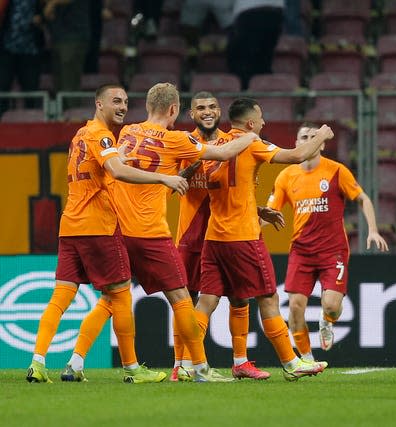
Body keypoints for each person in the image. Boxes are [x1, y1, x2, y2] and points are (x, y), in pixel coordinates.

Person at [62, 83, 258, 383]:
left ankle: (75, 362)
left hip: (118, 231)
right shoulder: (175, 139)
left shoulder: (126, 132)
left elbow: (126, 167)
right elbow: (224, 152)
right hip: (151, 233)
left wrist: (175, 176)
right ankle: (200, 368)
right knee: (181, 298)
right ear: (173, 110)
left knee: (111, 300)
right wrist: (251, 136)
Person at [26, 83, 189, 384]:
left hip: (70, 225)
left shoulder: (81, 135)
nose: (123, 106)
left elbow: (103, 167)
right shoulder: (101, 136)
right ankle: (132, 368)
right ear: (98, 104)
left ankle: (38, 362)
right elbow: (117, 171)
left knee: (61, 297)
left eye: (126, 101)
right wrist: (163, 178)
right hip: (98, 226)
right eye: (115, 101)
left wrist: (119, 154)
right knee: (119, 295)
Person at [196, 97, 333, 381]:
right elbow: (296, 156)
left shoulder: (216, 145)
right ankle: (291, 362)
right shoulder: (250, 141)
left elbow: (222, 189)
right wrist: (321, 135)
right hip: (243, 236)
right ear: (249, 123)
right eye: (260, 119)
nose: (264, 123)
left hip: (215, 236)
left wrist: (258, 208)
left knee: (210, 300)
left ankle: (190, 363)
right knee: (268, 297)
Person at [170, 91, 284, 381]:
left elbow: (233, 190)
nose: (206, 112)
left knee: (240, 298)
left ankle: (241, 361)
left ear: (219, 111)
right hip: (190, 235)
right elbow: (171, 185)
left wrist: (258, 211)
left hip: (224, 234)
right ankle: (180, 364)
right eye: (200, 108)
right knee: (186, 300)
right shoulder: (184, 143)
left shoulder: (230, 140)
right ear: (191, 114)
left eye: (211, 107)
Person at [266, 123, 389, 361]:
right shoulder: (286, 176)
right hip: (301, 250)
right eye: (304, 137)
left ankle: (327, 321)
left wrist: (373, 230)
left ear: (322, 144)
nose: (309, 139)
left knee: (331, 306)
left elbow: (362, 198)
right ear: (297, 144)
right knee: (294, 307)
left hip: (333, 251)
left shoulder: (336, 171)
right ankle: (307, 360)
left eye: (314, 136)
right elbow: (272, 213)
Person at [226, 0, 284, 89]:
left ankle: (245, 89)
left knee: (244, 59)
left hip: (249, 11)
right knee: (264, 57)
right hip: (274, 12)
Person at [0, 0, 44, 115]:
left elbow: (46, 16)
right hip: (7, 49)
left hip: (31, 50)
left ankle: (32, 120)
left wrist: (41, 19)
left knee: (31, 90)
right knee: (3, 89)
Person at [43, 0, 90, 98]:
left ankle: (72, 112)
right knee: (59, 84)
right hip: (58, 37)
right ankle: (63, 111)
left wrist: (52, 3)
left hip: (73, 36)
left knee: (69, 84)